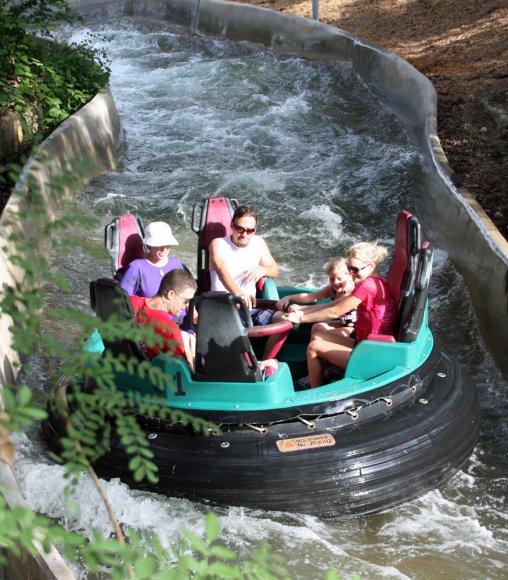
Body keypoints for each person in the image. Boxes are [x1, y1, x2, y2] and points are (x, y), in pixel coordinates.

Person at [282, 242, 399, 388]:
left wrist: (300, 318)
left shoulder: (368, 285)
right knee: (318, 336)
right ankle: (325, 374)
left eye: (355, 269)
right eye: (349, 268)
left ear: (371, 266)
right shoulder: (377, 281)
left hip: (373, 354)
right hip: (363, 344)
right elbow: (333, 306)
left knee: (314, 347)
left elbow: (335, 311)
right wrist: (301, 312)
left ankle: (316, 391)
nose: (352, 274)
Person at [209, 205, 279, 324]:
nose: (244, 234)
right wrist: (239, 294)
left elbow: (275, 269)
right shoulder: (218, 244)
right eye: (240, 229)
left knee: (284, 318)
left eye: (250, 230)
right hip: (223, 307)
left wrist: (263, 270)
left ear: (255, 229)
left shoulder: (258, 243)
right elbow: (221, 271)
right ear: (232, 226)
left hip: (250, 307)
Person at [129, 269, 197, 370]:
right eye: (186, 301)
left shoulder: (129, 302)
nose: (187, 306)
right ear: (171, 294)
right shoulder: (170, 330)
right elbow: (184, 370)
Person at [273, 257, 356, 335]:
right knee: (317, 327)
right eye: (332, 278)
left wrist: (301, 312)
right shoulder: (332, 289)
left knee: (318, 328)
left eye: (339, 278)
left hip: (354, 328)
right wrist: (288, 297)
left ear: (350, 276)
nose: (335, 282)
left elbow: (329, 309)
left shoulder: (352, 293)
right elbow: (312, 296)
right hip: (340, 322)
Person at [120, 221, 183, 298]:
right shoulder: (136, 267)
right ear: (149, 245)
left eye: (167, 243)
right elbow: (123, 300)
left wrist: (193, 310)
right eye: (159, 244)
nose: (164, 248)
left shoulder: (176, 264)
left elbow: (185, 294)